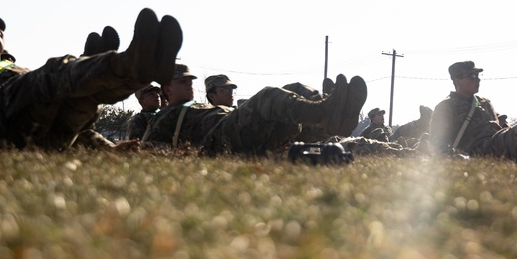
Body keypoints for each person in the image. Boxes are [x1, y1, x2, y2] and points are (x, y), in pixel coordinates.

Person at [0, 8, 182, 150]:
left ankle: (129, 67)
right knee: (55, 71)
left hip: (47, 139)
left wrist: (108, 149)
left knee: (82, 98)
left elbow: (80, 132)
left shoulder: (20, 71)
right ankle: (124, 64)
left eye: (0, 26)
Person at [142, 65, 367, 156]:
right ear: (167, 88)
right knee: (267, 96)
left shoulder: (203, 106)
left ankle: (333, 117)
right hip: (220, 139)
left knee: (294, 91)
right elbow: (148, 151)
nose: (190, 84)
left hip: (237, 131)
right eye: (183, 82)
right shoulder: (162, 118)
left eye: (191, 81)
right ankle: (327, 111)